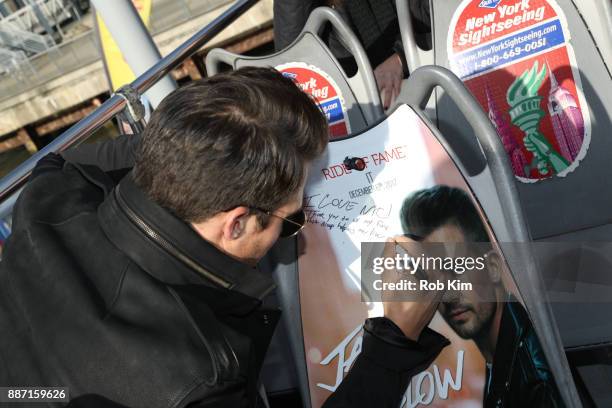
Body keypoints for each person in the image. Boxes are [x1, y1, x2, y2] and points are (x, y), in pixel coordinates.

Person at [0, 67, 447, 407]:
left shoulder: (49, 198)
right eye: (291, 219)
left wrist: (207, 150)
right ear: (235, 223)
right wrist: (394, 342)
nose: (303, 225)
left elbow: (75, 163)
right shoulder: (199, 379)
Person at [400, 185, 563, 407]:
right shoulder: (505, 363)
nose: (447, 294)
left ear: (493, 266)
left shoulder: (535, 377)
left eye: (456, 268)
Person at [273, 0, 432, 110]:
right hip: (364, 111)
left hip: (431, 79)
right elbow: (294, 66)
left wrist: (401, 57)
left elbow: (446, 19)